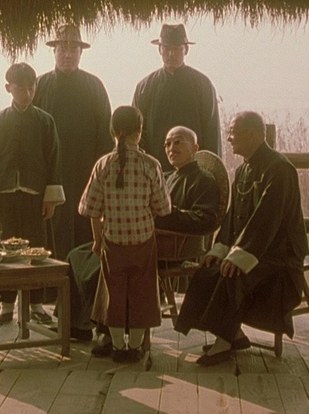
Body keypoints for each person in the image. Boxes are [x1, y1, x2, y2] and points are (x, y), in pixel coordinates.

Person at [175, 111, 309, 366]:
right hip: (254, 248)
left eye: (233, 132)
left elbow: (267, 220)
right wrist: (220, 249)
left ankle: (224, 342)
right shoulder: (243, 170)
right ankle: (234, 334)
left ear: (254, 134)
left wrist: (239, 256)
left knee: (232, 274)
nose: (228, 138)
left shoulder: (279, 169)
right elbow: (232, 219)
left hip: (279, 253)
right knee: (207, 271)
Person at [87, 125, 221, 356]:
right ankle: (89, 327)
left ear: (195, 148)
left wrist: (166, 215)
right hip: (144, 240)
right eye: (167, 143)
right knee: (81, 256)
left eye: (178, 142)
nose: (171, 148)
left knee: (102, 262)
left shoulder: (203, 180)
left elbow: (205, 220)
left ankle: (108, 332)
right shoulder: (167, 176)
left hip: (169, 247)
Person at [79, 105, 171, 363]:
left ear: (112, 131)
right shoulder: (150, 165)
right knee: (142, 293)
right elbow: (163, 208)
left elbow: (90, 209)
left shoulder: (103, 165)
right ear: (139, 131)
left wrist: (98, 240)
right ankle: (136, 347)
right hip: (143, 241)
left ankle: (119, 348)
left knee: (114, 294)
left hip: (113, 242)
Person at [0, 62, 65, 324]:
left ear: (35, 87)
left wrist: (50, 197)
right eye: (19, 88)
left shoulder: (45, 121)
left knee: (36, 250)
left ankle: (36, 304)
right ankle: (6, 306)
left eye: (30, 88)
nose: (26, 93)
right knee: (6, 250)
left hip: (36, 196)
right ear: (8, 88)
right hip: (5, 195)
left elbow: (54, 159)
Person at [33, 23, 112, 260]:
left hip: (85, 173)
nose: (67, 55)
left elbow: (105, 136)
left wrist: (101, 176)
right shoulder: (39, 86)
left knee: (84, 230)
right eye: (62, 49)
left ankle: (83, 280)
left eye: (73, 50)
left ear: (81, 53)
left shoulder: (94, 86)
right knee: (51, 232)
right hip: (49, 175)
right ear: (54, 51)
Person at [133, 23, 221, 168]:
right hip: (155, 168)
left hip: (194, 171)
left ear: (186, 49)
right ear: (159, 50)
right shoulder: (145, 87)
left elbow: (211, 131)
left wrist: (211, 169)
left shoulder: (202, 85)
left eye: (176, 49)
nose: (171, 54)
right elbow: (136, 132)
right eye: (166, 49)